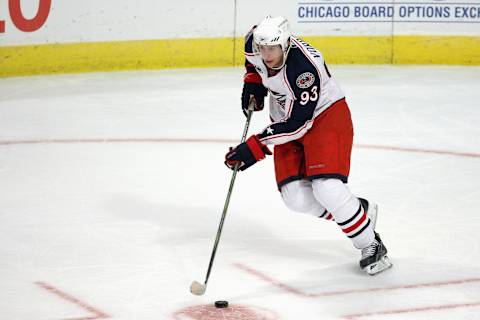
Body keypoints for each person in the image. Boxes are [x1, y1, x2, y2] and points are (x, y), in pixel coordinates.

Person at [224, 16, 392, 275]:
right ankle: (356, 211)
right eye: (262, 48)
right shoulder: (253, 42)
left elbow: (299, 126)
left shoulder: (303, 70)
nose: (266, 54)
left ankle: (371, 244)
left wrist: (254, 147)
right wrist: (254, 82)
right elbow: (252, 61)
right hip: (284, 118)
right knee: (296, 199)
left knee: (327, 189)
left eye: (272, 48)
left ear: (286, 44)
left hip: (325, 116)